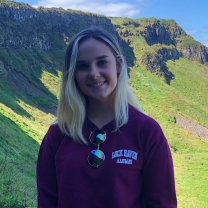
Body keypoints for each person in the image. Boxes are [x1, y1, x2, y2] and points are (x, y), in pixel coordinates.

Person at [36, 26, 177, 208]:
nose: (94, 74)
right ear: (73, 74)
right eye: (83, 66)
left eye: (102, 62)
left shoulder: (147, 131)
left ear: (118, 65)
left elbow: (162, 203)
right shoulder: (57, 134)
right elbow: (47, 202)